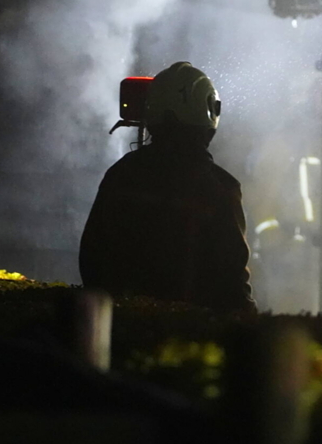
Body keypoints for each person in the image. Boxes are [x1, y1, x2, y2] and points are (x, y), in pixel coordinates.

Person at [79, 61, 256, 313]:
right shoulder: (219, 187)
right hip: (190, 336)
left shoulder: (121, 175)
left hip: (120, 329)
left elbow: (92, 261)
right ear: (208, 110)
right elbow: (232, 281)